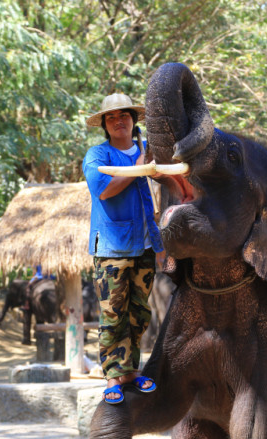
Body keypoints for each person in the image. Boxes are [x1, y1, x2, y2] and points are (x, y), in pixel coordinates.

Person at [83, 93, 163, 404]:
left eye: (124, 115)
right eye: (111, 117)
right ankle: (112, 377)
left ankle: (131, 372)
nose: (119, 121)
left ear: (133, 120)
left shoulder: (147, 152)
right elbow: (103, 191)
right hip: (112, 248)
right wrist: (139, 166)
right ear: (104, 124)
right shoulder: (97, 155)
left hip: (145, 246)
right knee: (113, 314)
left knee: (140, 314)